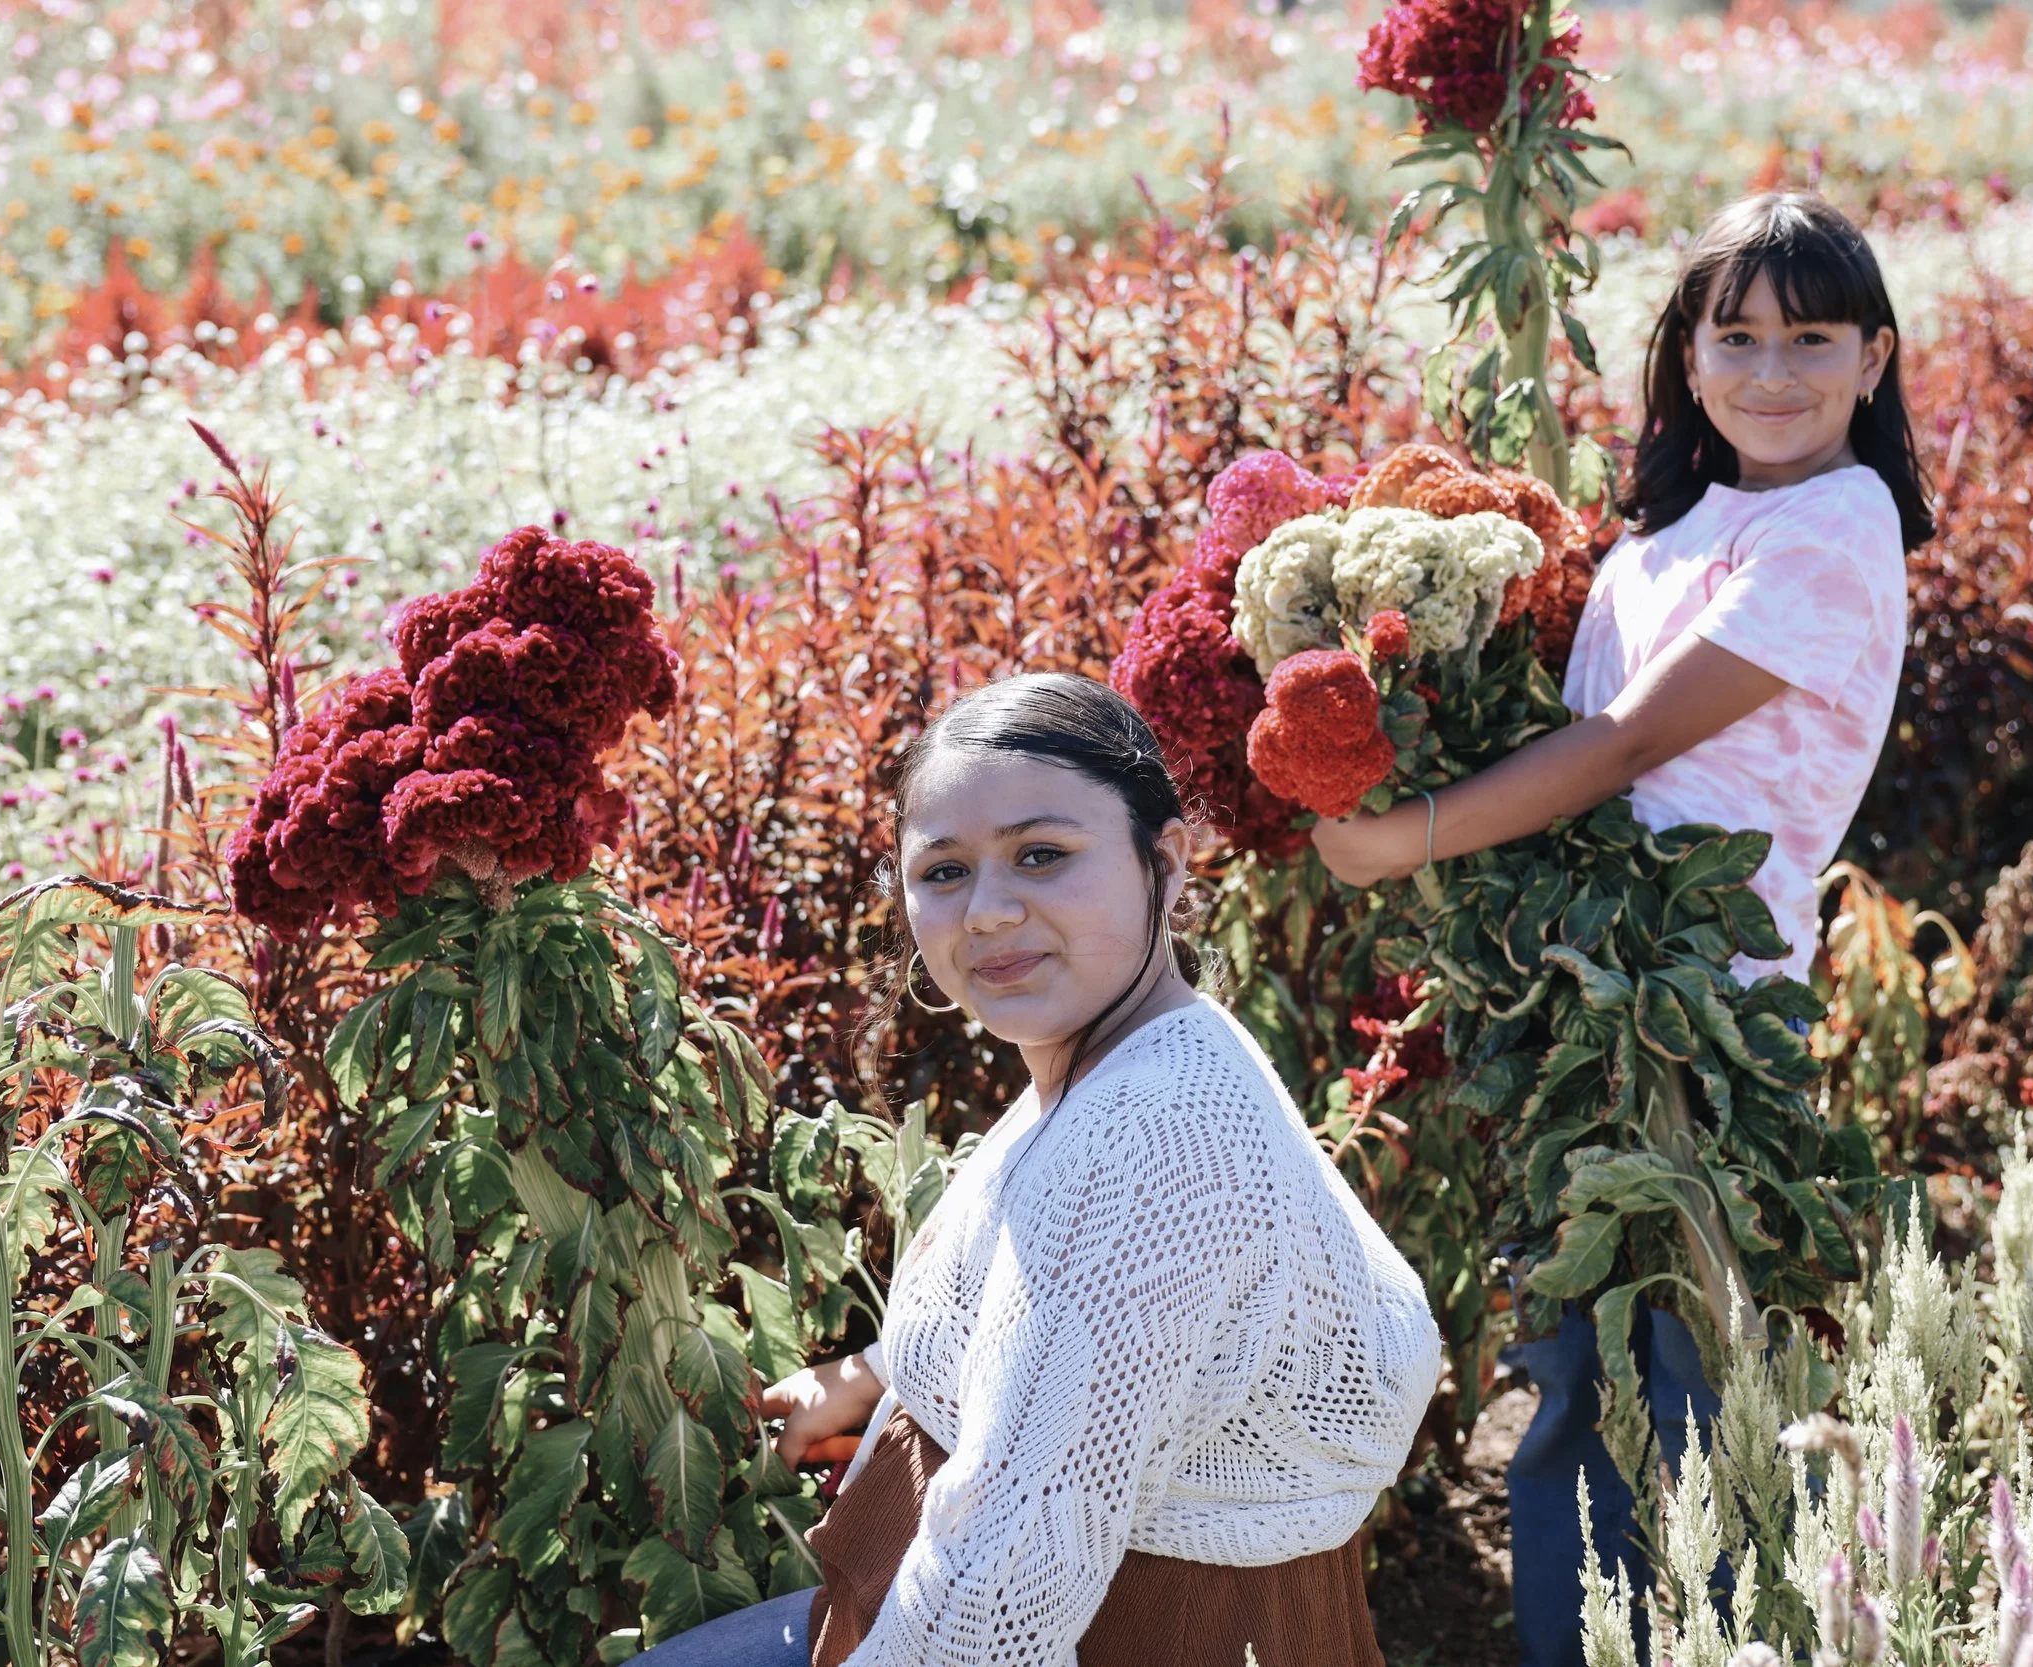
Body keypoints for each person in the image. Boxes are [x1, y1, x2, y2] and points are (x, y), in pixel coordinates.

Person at [1310, 190, 1936, 1667]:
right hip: (1585, 994)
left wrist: (1398, 838)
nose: (1771, 370)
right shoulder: (1669, 532)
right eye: (1738, 335)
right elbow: (1563, 739)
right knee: (1574, 1371)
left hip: (1710, 1006)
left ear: (1875, 357)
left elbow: (1625, 747)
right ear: (1687, 353)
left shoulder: (1837, 524)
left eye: (1811, 336)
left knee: (1690, 1386)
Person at [634, 673, 1443, 1666]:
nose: (986, 910)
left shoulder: (1147, 1140)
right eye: (943, 871)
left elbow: (1002, 1587)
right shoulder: (1146, 1053)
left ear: (1167, 860)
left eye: (1042, 854)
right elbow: (1081, 1329)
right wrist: (877, 1375)